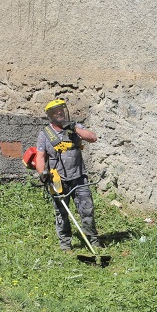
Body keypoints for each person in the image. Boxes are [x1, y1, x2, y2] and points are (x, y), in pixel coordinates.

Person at [35, 99, 100, 250]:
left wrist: (74, 128)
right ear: (50, 115)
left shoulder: (75, 127)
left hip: (79, 178)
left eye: (61, 110)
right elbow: (40, 157)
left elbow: (93, 138)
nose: (59, 113)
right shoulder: (45, 134)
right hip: (58, 180)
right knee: (61, 213)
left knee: (87, 210)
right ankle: (65, 244)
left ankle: (93, 240)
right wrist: (42, 173)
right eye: (55, 111)